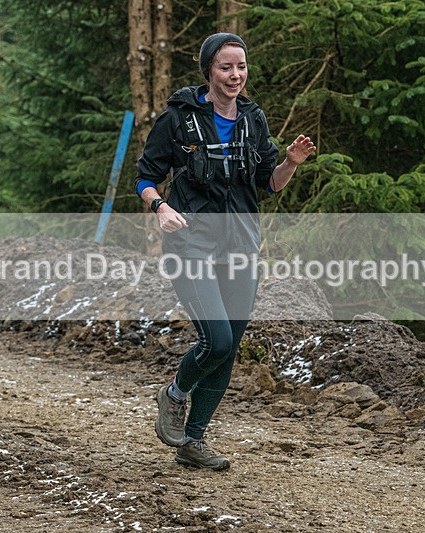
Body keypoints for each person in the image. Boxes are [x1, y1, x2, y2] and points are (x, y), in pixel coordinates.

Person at [135, 33, 315, 470]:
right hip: (190, 244)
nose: (235, 76)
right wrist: (160, 207)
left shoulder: (254, 119)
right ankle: (174, 393)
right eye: (225, 67)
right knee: (214, 338)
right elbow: (145, 176)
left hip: (241, 247)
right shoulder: (178, 119)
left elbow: (267, 183)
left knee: (229, 347)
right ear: (209, 71)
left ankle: (192, 443)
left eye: (241, 67)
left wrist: (289, 162)